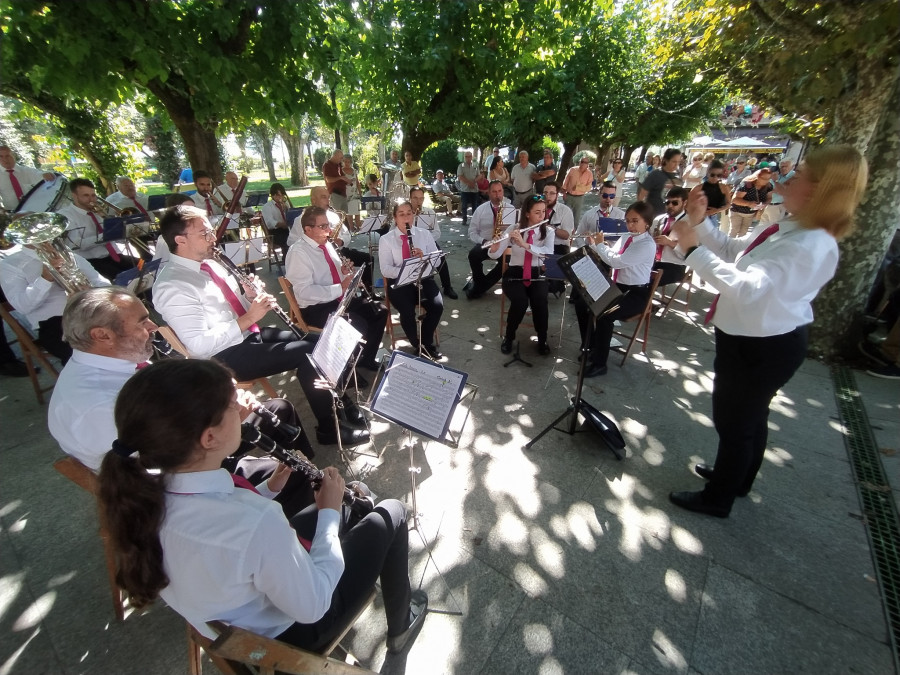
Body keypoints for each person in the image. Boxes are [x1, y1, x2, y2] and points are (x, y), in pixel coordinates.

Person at [97, 359, 428, 654]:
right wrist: (327, 512)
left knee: (346, 507)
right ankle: (401, 624)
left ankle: (352, 527)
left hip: (231, 618)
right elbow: (313, 605)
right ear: (209, 439)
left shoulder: (145, 493)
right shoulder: (255, 521)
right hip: (292, 633)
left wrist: (268, 488)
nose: (242, 408)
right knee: (391, 513)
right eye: (231, 405)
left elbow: (228, 533)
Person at [668, 145, 868, 518]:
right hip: (751, 338)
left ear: (820, 189)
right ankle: (737, 477)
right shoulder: (791, 225)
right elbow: (732, 251)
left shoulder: (810, 243)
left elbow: (747, 287)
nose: (788, 178)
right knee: (748, 418)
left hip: (764, 345)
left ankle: (718, 497)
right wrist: (698, 222)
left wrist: (692, 249)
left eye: (802, 174)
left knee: (735, 421)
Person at [47, 287, 317, 522]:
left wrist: (215, 396)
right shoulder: (99, 405)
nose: (153, 327)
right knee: (296, 477)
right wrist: (228, 417)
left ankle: (307, 474)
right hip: (175, 488)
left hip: (181, 448)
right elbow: (167, 470)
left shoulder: (118, 361)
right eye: (142, 323)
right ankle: (300, 528)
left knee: (278, 410)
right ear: (102, 335)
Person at [152, 205, 369, 447]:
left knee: (316, 341)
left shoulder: (210, 264)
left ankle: (342, 401)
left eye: (211, 231)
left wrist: (248, 296)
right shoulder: (173, 284)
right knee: (308, 355)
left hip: (246, 336)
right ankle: (329, 430)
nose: (214, 238)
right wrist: (250, 317)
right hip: (221, 358)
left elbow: (234, 307)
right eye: (205, 234)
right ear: (180, 240)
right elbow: (198, 345)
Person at [285, 206, 387, 373]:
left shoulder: (327, 244)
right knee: (356, 324)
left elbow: (331, 275)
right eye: (323, 226)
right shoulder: (299, 252)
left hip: (338, 299)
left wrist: (344, 272)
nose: (329, 229)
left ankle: (365, 359)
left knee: (379, 310)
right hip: (315, 307)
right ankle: (341, 372)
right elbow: (304, 292)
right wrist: (340, 287)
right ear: (308, 229)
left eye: (328, 225)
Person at [575, 201, 656, 378]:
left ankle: (599, 363)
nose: (630, 225)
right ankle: (590, 346)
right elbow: (613, 254)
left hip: (636, 293)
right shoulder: (628, 237)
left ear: (647, 223)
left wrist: (601, 245)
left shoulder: (647, 245)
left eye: (635, 221)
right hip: (619, 287)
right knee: (582, 304)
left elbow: (617, 261)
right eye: (628, 221)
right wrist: (594, 244)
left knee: (605, 315)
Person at [0, 244, 109, 363]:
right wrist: (45, 278)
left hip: (93, 311)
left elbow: (101, 281)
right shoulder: (10, 264)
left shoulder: (64, 251)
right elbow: (22, 306)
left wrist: (91, 289)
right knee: (92, 357)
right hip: (56, 325)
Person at [489, 195, 554, 355]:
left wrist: (525, 245)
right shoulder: (514, 229)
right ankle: (509, 337)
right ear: (527, 213)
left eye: (543, 212)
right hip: (514, 273)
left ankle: (542, 338)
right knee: (520, 301)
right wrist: (495, 246)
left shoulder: (549, 231)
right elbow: (494, 256)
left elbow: (548, 255)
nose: (542, 216)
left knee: (540, 300)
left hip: (537, 273)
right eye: (537, 212)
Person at [379, 199, 443, 359]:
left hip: (423, 278)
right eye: (401, 214)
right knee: (407, 311)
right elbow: (385, 269)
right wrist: (406, 270)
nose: (406, 218)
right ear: (395, 217)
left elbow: (438, 260)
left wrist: (425, 257)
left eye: (409, 213)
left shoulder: (424, 234)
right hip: (399, 282)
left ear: (413, 215)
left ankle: (425, 342)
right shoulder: (386, 239)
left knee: (437, 306)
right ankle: (416, 343)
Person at [287, 187, 374, 293]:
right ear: (313, 200)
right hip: (316, 255)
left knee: (368, 258)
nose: (328, 201)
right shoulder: (301, 220)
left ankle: (368, 291)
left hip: (337, 250)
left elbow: (347, 234)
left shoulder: (333, 216)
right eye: (324, 197)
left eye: (329, 198)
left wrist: (340, 241)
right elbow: (291, 242)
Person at [56, 178, 138, 280]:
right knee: (125, 279)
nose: (91, 199)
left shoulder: (97, 212)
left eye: (93, 195)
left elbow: (117, 240)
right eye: (86, 195)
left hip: (113, 256)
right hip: (91, 261)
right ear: (74, 196)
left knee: (144, 266)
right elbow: (75, 245)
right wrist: (105, 235)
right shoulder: (66, 215)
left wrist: (122, 231)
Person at [464, 180, 516, 299]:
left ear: (503, 192)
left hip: (505, 245)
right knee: (473, 255)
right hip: (486, 242)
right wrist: (483, 241)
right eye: (494, 192)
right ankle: (481, 284)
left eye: (500, 191)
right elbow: (472, 231)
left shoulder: (511, 209)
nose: (498, 195)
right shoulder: (480, 209)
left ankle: (480, 287)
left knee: (507, 262)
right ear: (488, 193)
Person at [409, 186, 458, 299]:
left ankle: (447, 287)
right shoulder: (404, 212)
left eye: (421, 198)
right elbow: (393, 231)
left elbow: (437, 232)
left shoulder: (430, 213)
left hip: (427, 242)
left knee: (440, 257)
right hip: (408, 244)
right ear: (410, 198)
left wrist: (426, 240)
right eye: (415, 198)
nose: (418, 201)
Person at [651, 187, 689, 287]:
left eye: (675, 203)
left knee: (645, 280)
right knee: (631, 273)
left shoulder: (690, 223)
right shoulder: (659, 219)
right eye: (667, 203)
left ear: (684, 203)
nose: (670, 206)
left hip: (675, 266)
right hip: (653, 261)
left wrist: (669, 243)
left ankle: (643, 301)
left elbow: (689, 253)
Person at [541, 182, 574, 295]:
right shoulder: (538, 208)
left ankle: (554, 284)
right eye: (545, 193)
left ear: (557, 195)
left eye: (551, 193)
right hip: (540, 245)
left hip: (558, 245)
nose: (547, 196)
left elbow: (566, 235)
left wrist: (551, 229)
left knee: (553, 285)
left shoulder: (565, 210)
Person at [0, 145, 55, 210]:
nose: (5, 159)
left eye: (7, 156)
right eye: (1, 156)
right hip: (13, 214)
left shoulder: (26, 171)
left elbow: (39, 174)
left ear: (13, 156)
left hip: (35, 209)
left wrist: (46, 175)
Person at [573, 182, 626, 247]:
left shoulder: (621, 215)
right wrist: (584, 248)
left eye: (612, 196)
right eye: (605, 196)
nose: (608, 199)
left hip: (612, 253)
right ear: (599, 194)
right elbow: (578, 235)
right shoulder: (589, 215)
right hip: (592, 252)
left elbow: (626, 238)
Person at [729, 167, 774, 237]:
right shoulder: (747, 184)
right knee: (734, 231)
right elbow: (735, 199)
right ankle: (729, 247)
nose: (766, 181)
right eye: (764, 179)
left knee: (743, 233)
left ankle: (739, 247)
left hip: (750, 214)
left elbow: (769, 198)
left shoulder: (768, 186)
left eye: (768, 179)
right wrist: (749, 203)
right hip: (737, 211)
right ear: (757, 176)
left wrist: (764, 204)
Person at [638, 148, 683, 216]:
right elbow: (642, 193)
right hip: (654, 215)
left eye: (678, 162)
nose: (676, 164)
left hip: (671, 216)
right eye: (674, 161)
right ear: (666, 160)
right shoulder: (655, 174)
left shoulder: (677, 176)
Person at [691, 159, 732, 225]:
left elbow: (729, 204)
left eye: (719, 175)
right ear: (708, 173)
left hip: (714, 217)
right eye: (712, 175)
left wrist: (717, 210)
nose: (715, 178)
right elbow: (688, 205)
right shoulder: (698, 188)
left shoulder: (724, 187)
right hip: (698, 217)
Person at [759, 159, 795, 226]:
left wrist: (776, 181)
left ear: (793, 166)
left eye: (786, 166)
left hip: (779, 206)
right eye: (781, 166)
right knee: (761, 228)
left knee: (773, 230)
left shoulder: (794, 176)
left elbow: (783, 190)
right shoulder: (778, 175)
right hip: (769, 205)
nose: (783, 168)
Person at [259, 183, 291, 257]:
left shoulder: (285, 204)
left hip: (286, 229)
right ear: (273, 195)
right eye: (278, 195)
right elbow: (269, 223)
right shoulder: (267, 207)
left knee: (297, 237)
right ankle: (286, 259)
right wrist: (281, 224)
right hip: (275, 232)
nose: (281, 197)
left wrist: (287, 210)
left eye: (282, 195)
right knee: (287, 240)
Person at [561, 156, 594, 226]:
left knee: (576, 216)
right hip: (569, 195)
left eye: (585, 162)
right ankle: (565, 229)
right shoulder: (572, 170)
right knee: (566, 214)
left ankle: (574, 232)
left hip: (580, 197)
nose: (583, 164)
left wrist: (578, 187)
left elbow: (589, 188)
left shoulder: (589, 174)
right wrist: (564, 193)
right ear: (579, 162)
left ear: (588, 164)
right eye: (582, 162)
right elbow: (565, 182)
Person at [322, 149, 351, 213]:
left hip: (343, 194)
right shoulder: (327, 165)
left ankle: (345, 223)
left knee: (345, 215)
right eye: (340, 158)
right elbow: (328, 179)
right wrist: (340, 178)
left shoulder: (338, 165)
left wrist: (347, 181)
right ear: (335, 156)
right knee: (337, 215)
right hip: (335, 193)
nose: (341, 160)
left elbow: (342, 176)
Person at [456, 150, 480, 225]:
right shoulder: (461, 166)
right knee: (464, 205)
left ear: (472, 157)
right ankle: (464, 219)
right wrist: (469, 183)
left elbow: (479, 175)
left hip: (474, 189)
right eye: (466, 156)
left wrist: (474, 182)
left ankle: (474, 220)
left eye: (469, 156)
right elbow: (460, 176)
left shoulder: (475, 165)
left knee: (474, 205)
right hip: (465, 189)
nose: (468, 158)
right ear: (464, 157)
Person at [342, 154, 363, 230]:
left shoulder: (354, 170)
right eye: (345, 162)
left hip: (355, 194)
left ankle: (358, 227)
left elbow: (357, 182)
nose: (347, 163)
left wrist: (360, 192)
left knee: (357, 212)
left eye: (349, 162)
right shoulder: (341, 171)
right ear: (343, 162)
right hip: (347, 194)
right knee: (349, 213)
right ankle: (351, 228)